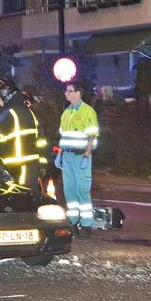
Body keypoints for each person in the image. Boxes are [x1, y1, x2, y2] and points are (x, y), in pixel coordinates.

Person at [54, 80, 99, 236]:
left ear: (78, 93)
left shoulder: (88, 111)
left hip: (81, 157)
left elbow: (92, 135)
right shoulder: (66, 112)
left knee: (82, 191)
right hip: (67, 156)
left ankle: (86, 225)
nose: (66, 93)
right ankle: (72, 222)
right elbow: (64, 137)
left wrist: (87, 154)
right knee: (69, 190)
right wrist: (59, 154)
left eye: (69, 91)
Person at [0, 76, 46, 190]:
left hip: (16, 168)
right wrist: (42, 165)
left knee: (19, 201)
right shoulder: (28, 112)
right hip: (31, 167)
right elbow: (40, 140)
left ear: (5, 94)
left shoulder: (8, 113)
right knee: (28, 200)